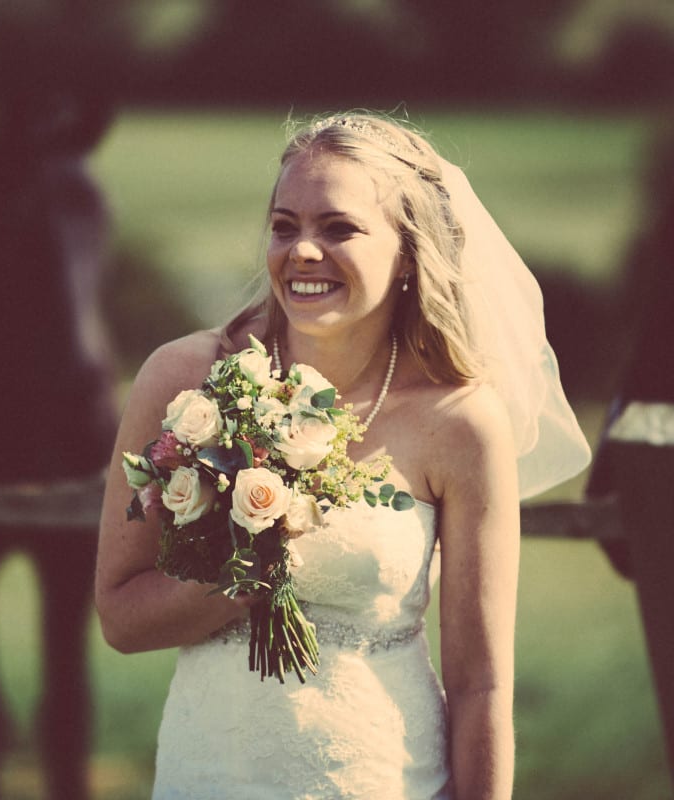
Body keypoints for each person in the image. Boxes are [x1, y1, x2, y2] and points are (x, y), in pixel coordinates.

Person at [95, 112, 591, 800]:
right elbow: (119, 616)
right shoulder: (185, 380)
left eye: (338, 228)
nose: (301, 251)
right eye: (284, 225)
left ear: (410, 251)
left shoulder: (460, 421)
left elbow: (482, 683)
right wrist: (246, 572)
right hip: (206, 775)